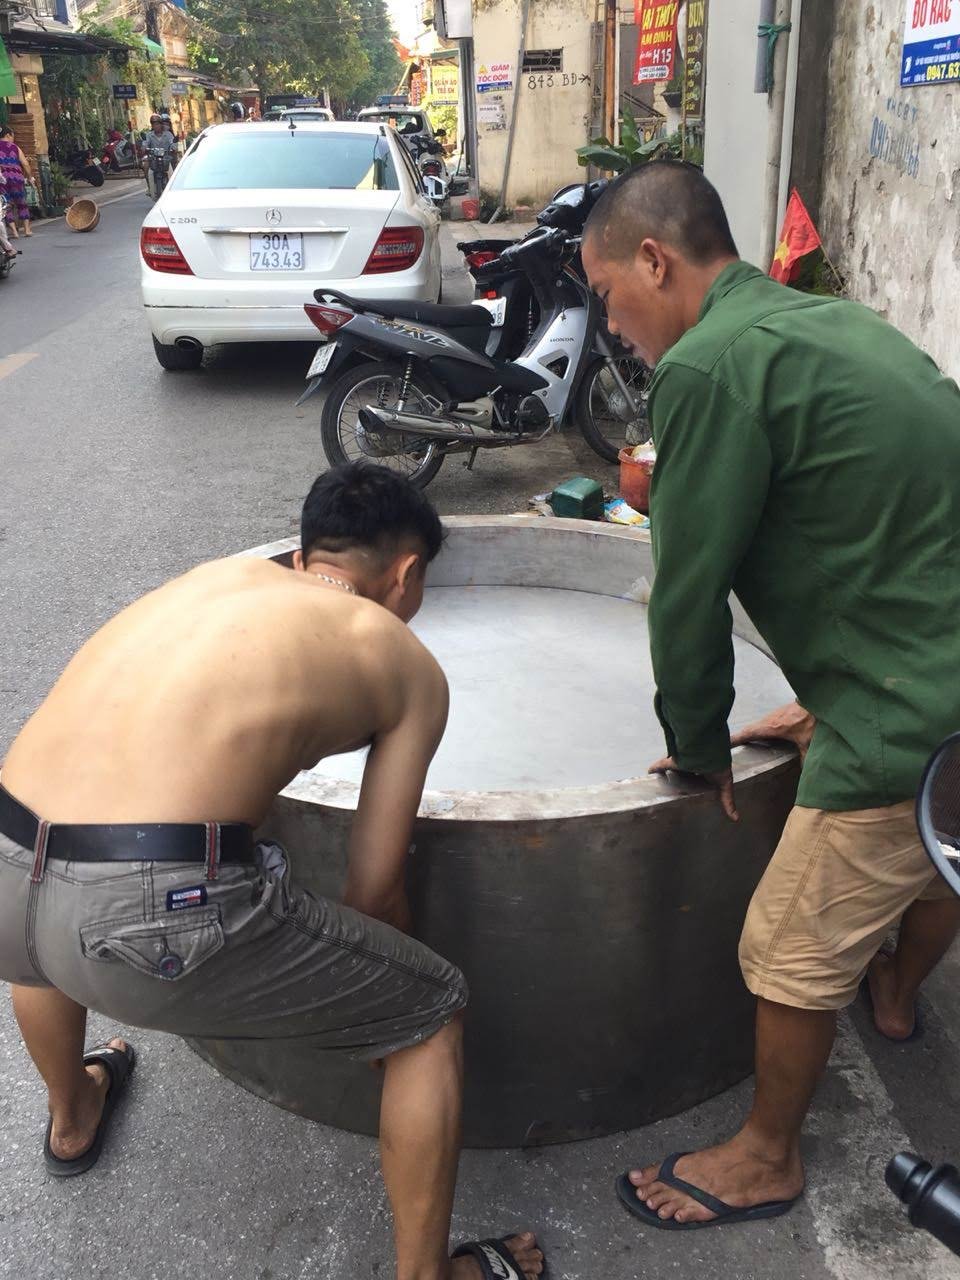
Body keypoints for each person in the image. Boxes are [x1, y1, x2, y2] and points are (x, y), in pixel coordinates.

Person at [0, 464, 545, 1280]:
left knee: (44, 933)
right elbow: (375, 891)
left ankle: (73, 1114)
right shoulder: (397, 654)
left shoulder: (214, 580)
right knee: (430, 1015)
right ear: (407, 575)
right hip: (140, 902)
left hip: (7, 859)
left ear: (302, 556)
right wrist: (377, 1012)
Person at [581, 161, 960, 1232]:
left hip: (915, 722)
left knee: (786, 942)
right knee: (942, 847)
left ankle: (764, 1154)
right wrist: (834, 691)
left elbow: (687, 598)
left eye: (611, 298)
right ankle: (895, 993)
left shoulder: (705, 369)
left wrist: (699, 748)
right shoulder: (832, 325)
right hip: (934, 677)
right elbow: (886, 525)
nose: (616, 329)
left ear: (655, 261)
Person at [0, 125, 36, 239]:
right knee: (22, 203)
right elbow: (25, 164)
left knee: (6, 205)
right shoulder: (15, 147)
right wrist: (30, 177)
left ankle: (15, 232)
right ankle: (27, 230)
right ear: (8, 135)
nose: (13, 138)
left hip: (2, 179)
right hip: (16, 178)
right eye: (13, 135)